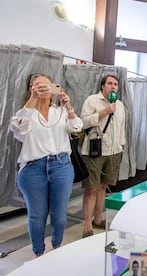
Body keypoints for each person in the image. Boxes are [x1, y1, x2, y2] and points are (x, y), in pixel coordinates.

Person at [10, 73, 83, 257]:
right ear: (30, 89)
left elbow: (76, 127)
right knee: (37, 216)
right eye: (38, 85)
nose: (43, 88)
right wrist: (34, 99)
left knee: (59, 216)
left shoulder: (59, 112)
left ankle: (56, 249)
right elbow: (18, 129)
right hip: (33, 169)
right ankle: (39, 254)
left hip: (61, 165)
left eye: (47, 85)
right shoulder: (25, 112)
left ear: (54, 89)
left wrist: (68, 106)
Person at [80, 75, 126, 238]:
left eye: (115, 85)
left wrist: (121, 145)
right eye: (110, 84)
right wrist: (105, 111)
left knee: (102, 186)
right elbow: (83, 122)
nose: (113, 87)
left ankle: (98, 219)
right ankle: (87, 224)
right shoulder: (92, 101)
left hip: (113, 151)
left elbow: (121, 127)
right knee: (91, 188)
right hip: (94, 150)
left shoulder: (119, 105)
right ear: (102, 86)